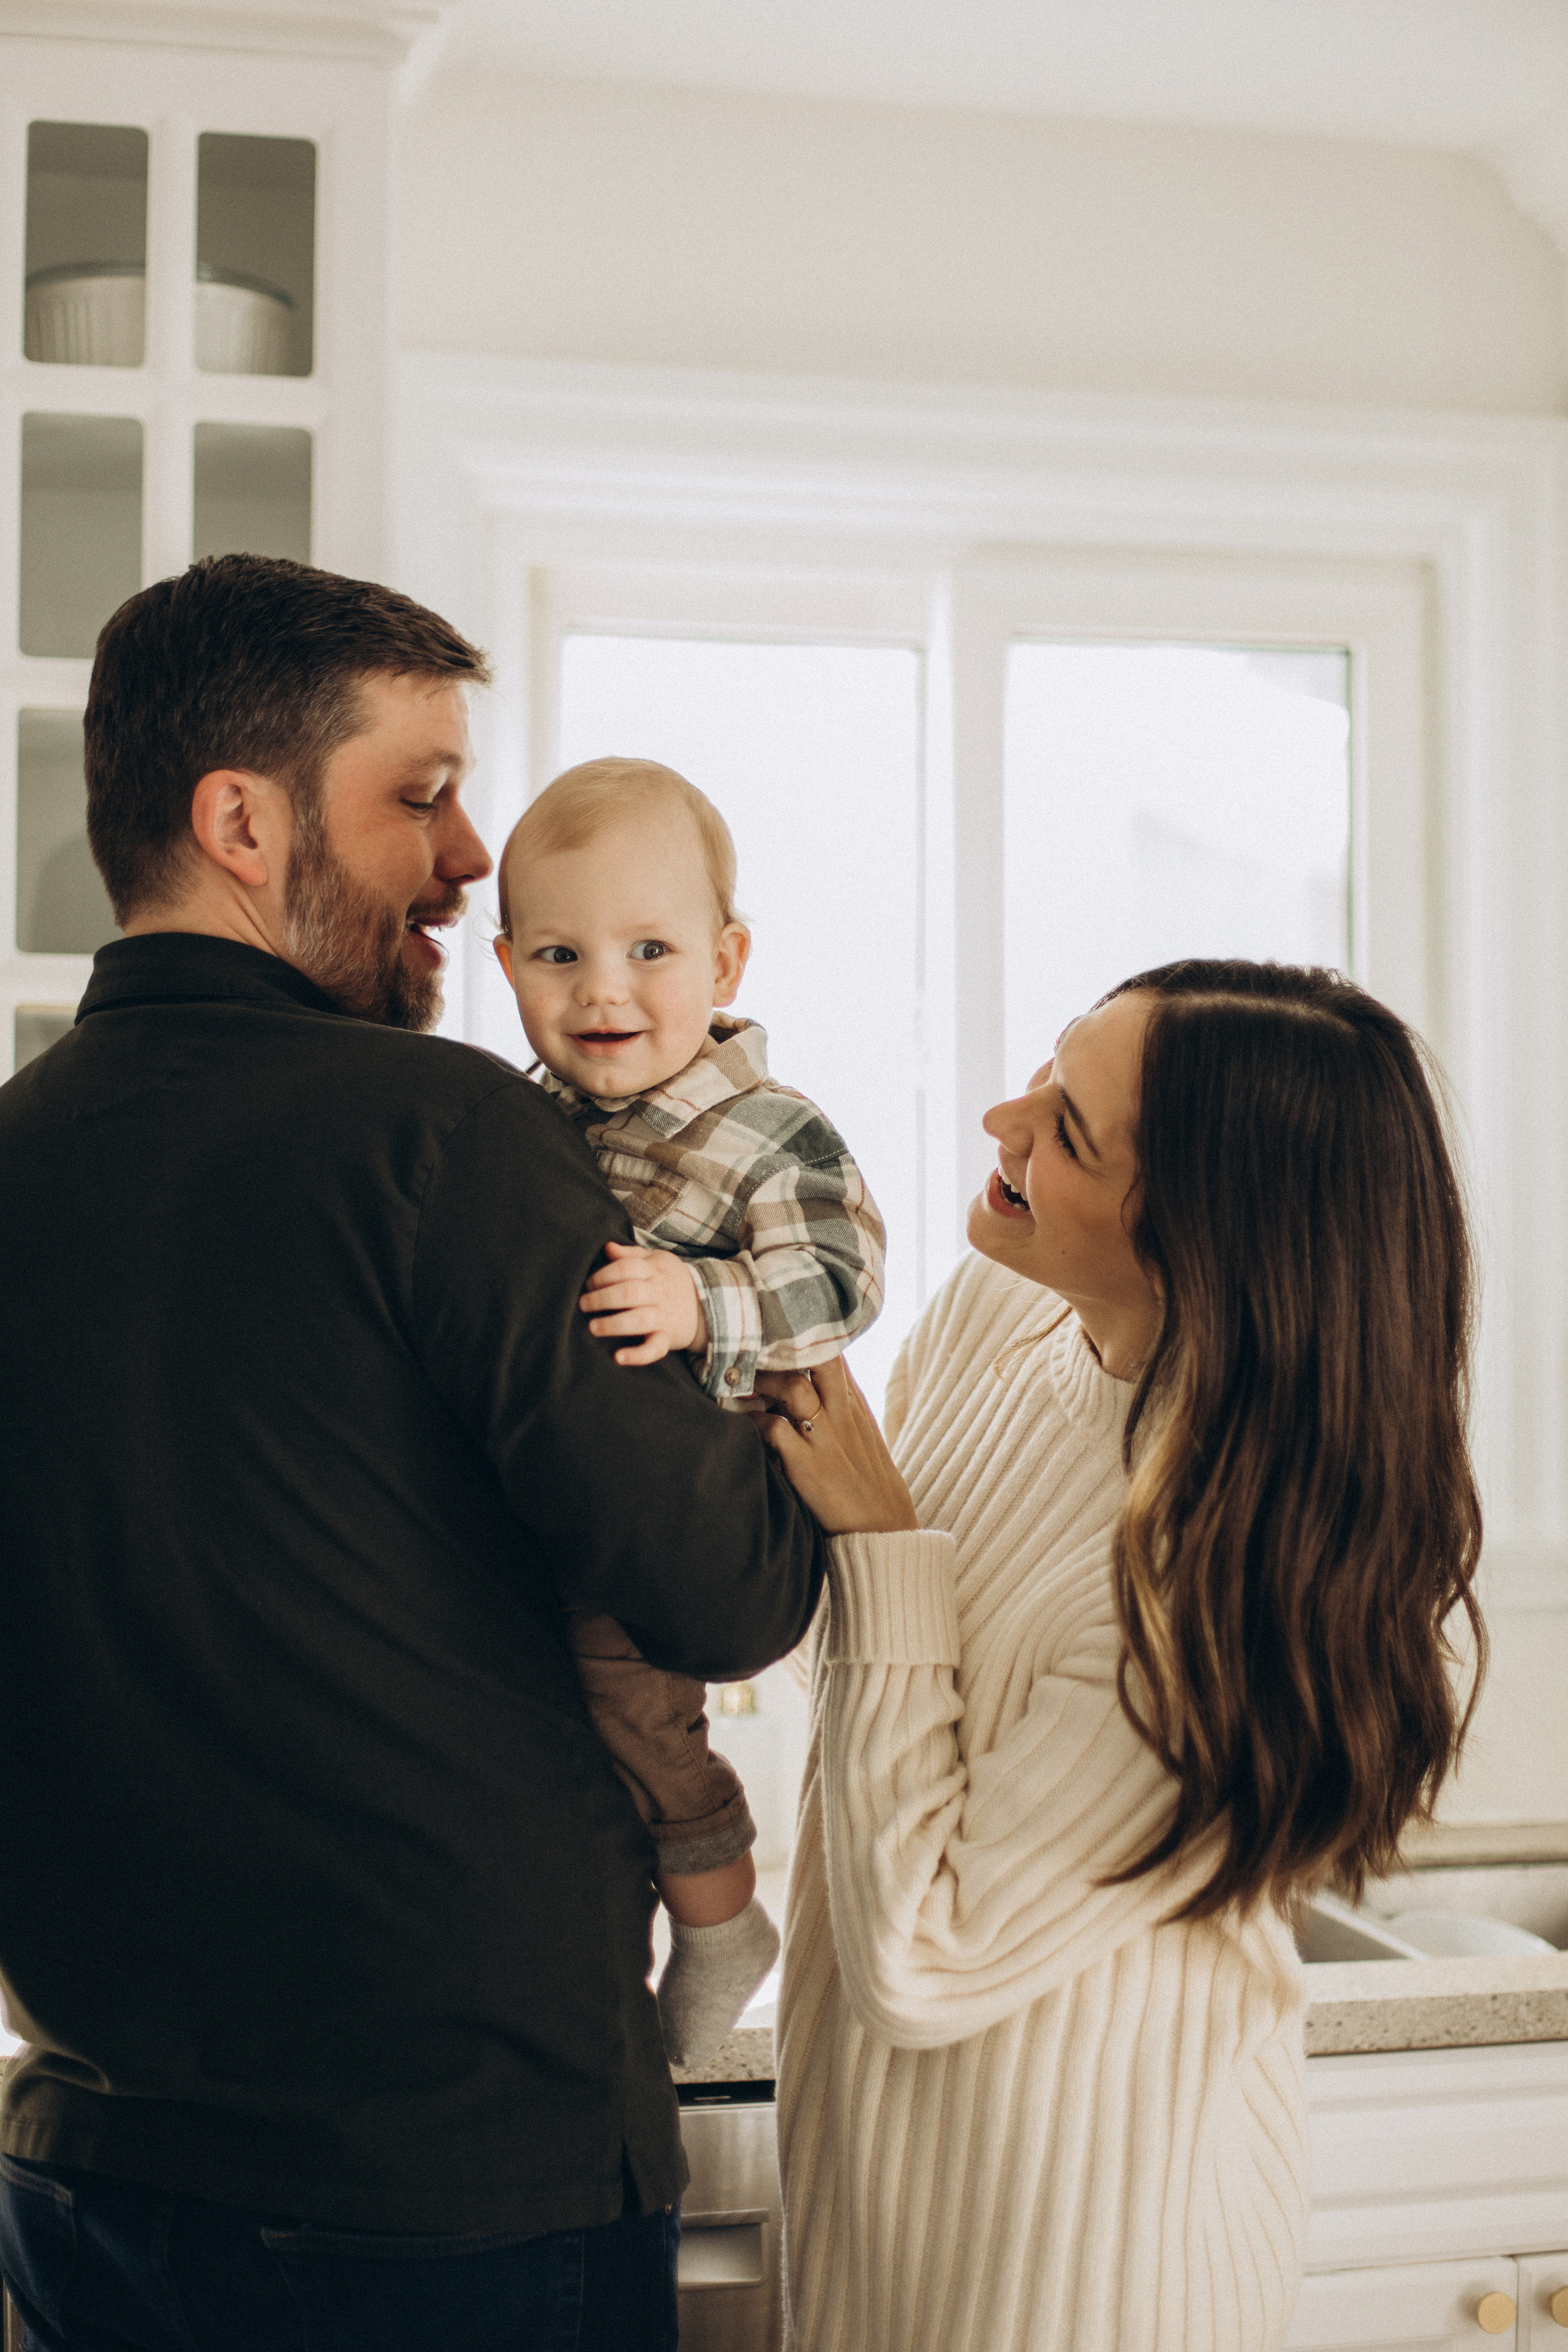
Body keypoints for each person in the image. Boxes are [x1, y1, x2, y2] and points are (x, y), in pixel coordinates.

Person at [0, 555, 824, 2352]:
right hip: (453, 2186)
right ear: (241, 822)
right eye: (421, 796)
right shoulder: (440, 1133)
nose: (469, 858)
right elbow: (727, 1593)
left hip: (90, 2171)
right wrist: (790, 1399)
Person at [755, 962, 1485, 2352]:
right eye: (1049, 1070)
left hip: (1084, 2285)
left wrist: (881, 1540)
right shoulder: (1000, 1313)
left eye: (1070, 1131)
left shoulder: (1221, 1589)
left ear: (1200, 1241)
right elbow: (873, 1692)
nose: (1003, 1120)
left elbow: (923, 1955)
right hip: (882, 2231)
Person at [492, 757, 885, 2065]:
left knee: (636, 1713)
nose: (602, 991)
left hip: (687, 1506)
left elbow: (842, 1281)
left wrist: (702, 1299)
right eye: (559, 954)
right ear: (507, 966)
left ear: (726, 962)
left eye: (649, 951)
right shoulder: (523, 1122)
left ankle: (721, 1923)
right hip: (547, 1496)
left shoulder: (767, 1131)